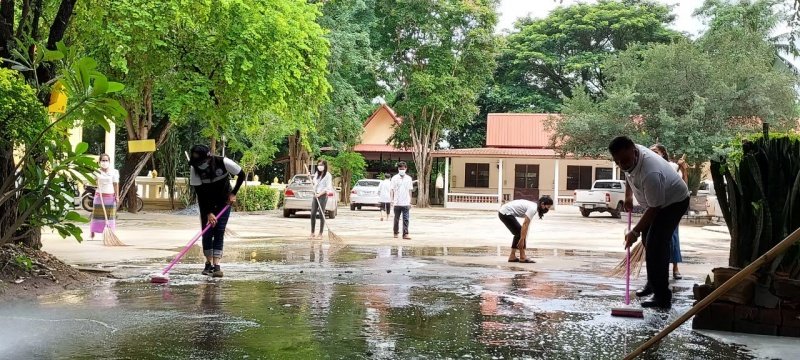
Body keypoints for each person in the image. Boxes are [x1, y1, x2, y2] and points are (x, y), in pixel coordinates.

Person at [610, 136, 689, 308]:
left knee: (656, 244)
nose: (622, 164)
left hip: (674, 203)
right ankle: (652, 284)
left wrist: (634, 232)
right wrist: (628, 196)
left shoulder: (650, 172)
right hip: (658, 203)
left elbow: (655, 208)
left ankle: (662, 297)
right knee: (649, 241)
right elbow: (628, 173)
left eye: (625, 160)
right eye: (618, 161)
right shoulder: (629, 157)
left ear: (634, 151)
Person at [189, 144, 245, 278]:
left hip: (223, 201)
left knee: (219, 230)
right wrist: (208, 213)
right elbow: (200, 193)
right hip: (206, 202)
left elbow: (241, 174)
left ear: (208, 158)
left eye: (201, 162)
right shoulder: (194, 168)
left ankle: (217, 265)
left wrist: (233, 193)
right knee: (207, 231)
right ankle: (208, 264)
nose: (199, 164)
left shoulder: (223, 162)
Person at [650, 144, 684, 280]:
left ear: (663, 153)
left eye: (656, 152)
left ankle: (675, 267)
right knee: (655, 239)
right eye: (651, 152)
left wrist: (683, 169)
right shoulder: (649, 167)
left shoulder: (672, 167)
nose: (653, 154)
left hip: (672, 206)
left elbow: (682, 185)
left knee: (673, 238)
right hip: (655, 207)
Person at [498, 196, 554, 263]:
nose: (547, 210)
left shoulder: (534, 207)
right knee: (519, 233)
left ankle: (512, 256)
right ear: (542, 204)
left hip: (505, 212)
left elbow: (526, 225)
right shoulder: (533, 208)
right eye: (547, 207)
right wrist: (522, 239)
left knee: (519, 233)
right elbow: (525, 224)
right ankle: (522, 257)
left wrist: (523, 237)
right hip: (505, 213)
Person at [89, 154, 119, 240]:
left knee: (110, 216)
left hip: (110, 197)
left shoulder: (114, 172)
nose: (104, 162)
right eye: (103, 160)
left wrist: (117, 196)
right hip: (99, 197)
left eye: (106, 160)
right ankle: (93, 231)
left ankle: (110, 232)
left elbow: (115, 184)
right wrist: (95, 181)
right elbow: (92, 183)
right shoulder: (96, 172)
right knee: (96, 215)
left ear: (109, 162)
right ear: (99, 162)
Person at [310, 160, 333, 239]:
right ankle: (312, 233)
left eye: (321, 165)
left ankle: (320, 233)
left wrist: (319, 194)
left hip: (323, 195)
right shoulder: (317, 174)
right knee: (313, 213)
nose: (319, 166)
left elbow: (328, 188)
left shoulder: (328, 175)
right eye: (318, 165)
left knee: (321, 213)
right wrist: (309, 177)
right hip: (315, 195)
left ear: (325, 166)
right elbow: (314, 182)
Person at [391, 162, 414, 240]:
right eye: (400, 169)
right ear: (398, 169)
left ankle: (405, 234)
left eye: (403, 169)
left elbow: (410, 190)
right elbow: (392, 190)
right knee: (396, 218)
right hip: (397, 202)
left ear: (406, 169)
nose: (402, 170)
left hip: (406, 202)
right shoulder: (394, 178)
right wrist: (391, 200)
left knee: (406, 219)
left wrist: (410, 201)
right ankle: (395, 232)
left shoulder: (409, 178)